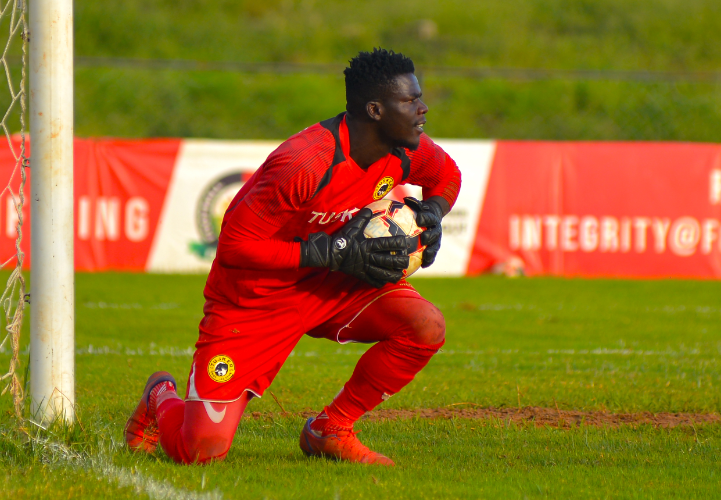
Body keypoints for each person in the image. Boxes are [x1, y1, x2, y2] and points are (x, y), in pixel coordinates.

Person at [125, 48, 461, 466]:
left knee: (426, 326)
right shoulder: (304, 162)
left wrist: (432, 214)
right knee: (201, 450)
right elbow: (234, 247)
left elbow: (446, 178)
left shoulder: (408, 149)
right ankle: (160, 394)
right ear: (375, 110)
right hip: (256, 298)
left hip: (335, 283)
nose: (422, 108)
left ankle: (330, 429)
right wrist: (331, 250)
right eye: (410, 101)